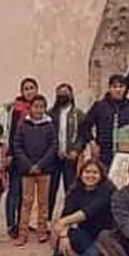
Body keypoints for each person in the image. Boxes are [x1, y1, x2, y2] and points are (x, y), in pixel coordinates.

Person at [35, 159, 114, 256]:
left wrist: (62, 223)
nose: (90, 175)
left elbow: (88, 212)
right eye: (87, 172)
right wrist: (64, 234)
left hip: (104, 241)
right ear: (81, 174)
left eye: (95, 172)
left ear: (101, 175)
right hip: (85, 236)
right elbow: (64, 217)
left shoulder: (108, 190)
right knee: (68, 233)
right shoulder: (75, 190)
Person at [13, 94, 57, 246]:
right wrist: (29, 165)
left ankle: (42, 230)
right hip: (27, 171)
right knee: (26, 202)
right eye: (35, 106)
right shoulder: (23, 125)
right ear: (30, 108)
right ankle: (22, 233)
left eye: (41, 107)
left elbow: (53, 147)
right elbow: (17, 146)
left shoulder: (49, 126)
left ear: (45, 108)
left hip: (44, 170)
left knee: (43, 202)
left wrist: (40, 165)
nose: (38, 110)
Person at [76, 74, 129, 169]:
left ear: (126, 88)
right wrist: (92, 143)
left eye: (121, 87)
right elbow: (84, 127)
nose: (118, 90)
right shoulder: (99, 106)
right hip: (103, 152)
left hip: (125, 153)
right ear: (109, 88)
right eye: (114, 87)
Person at [5, 77, 39, 239]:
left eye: (32, 88)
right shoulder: (17, 109)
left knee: (27, 193)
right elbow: (11, 134)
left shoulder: (39, 109)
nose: (29, 91)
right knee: (14, 191)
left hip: (31, 157)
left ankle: (22, 223)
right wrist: (11, 154)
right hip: (17, 156)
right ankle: (11, 224)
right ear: (22, 91)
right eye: (26, 88)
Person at [47, 83, 84, 217]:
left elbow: (83, 135)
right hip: (53, 158)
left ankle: (69, 217)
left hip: (71, 158)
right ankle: (47, 219)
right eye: (59, 93)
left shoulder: (78, 114)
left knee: (71, 189)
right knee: (50, 189)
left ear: (71, 94)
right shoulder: (50, 114)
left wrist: (76, 150)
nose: (62, 95)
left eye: (65, 92)